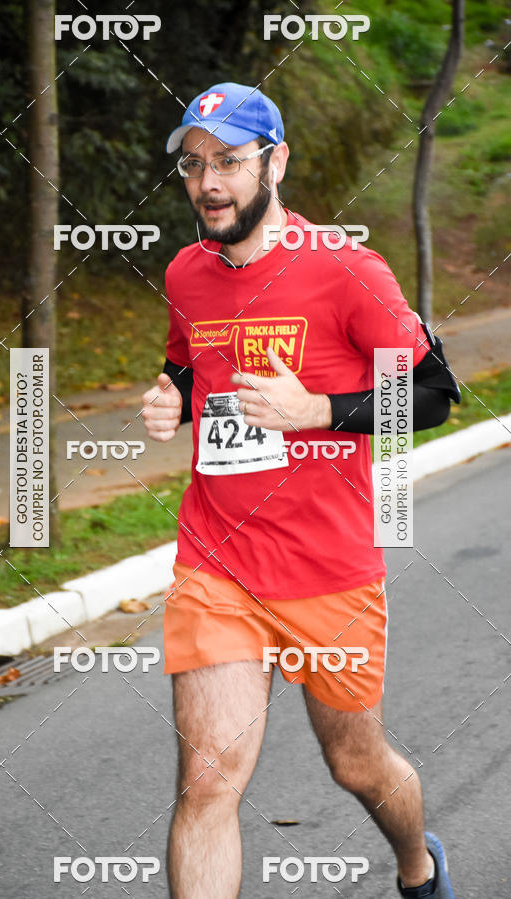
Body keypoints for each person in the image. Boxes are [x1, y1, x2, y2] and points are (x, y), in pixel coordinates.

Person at [141, 82, 460, 899]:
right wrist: (174, 393)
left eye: (231, 163)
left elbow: (432, 393)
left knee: (356, 762)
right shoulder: (186, 272)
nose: (209, 183)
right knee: (208, 782)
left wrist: (315, 409)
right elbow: (191, 356)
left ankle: (419, 868)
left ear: (275, 162)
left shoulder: (347, 271)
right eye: (195, 164)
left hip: (331, 570)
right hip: (218, 561)